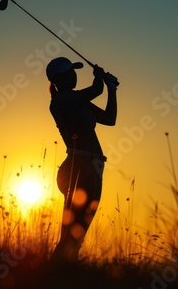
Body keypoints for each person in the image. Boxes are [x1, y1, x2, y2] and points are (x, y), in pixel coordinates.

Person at [46, 56, 118, 263]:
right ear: (60, 78)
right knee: (72, 231)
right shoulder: (61, 101)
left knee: (80, 229)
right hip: (78, 167)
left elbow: (109, 119)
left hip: (92, 167)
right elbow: (95, 90)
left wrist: (111, 89)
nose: (74, 75)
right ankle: (54, 272)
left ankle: (65, 271)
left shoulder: (79, 101)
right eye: (70, 72)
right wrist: (99, 79)